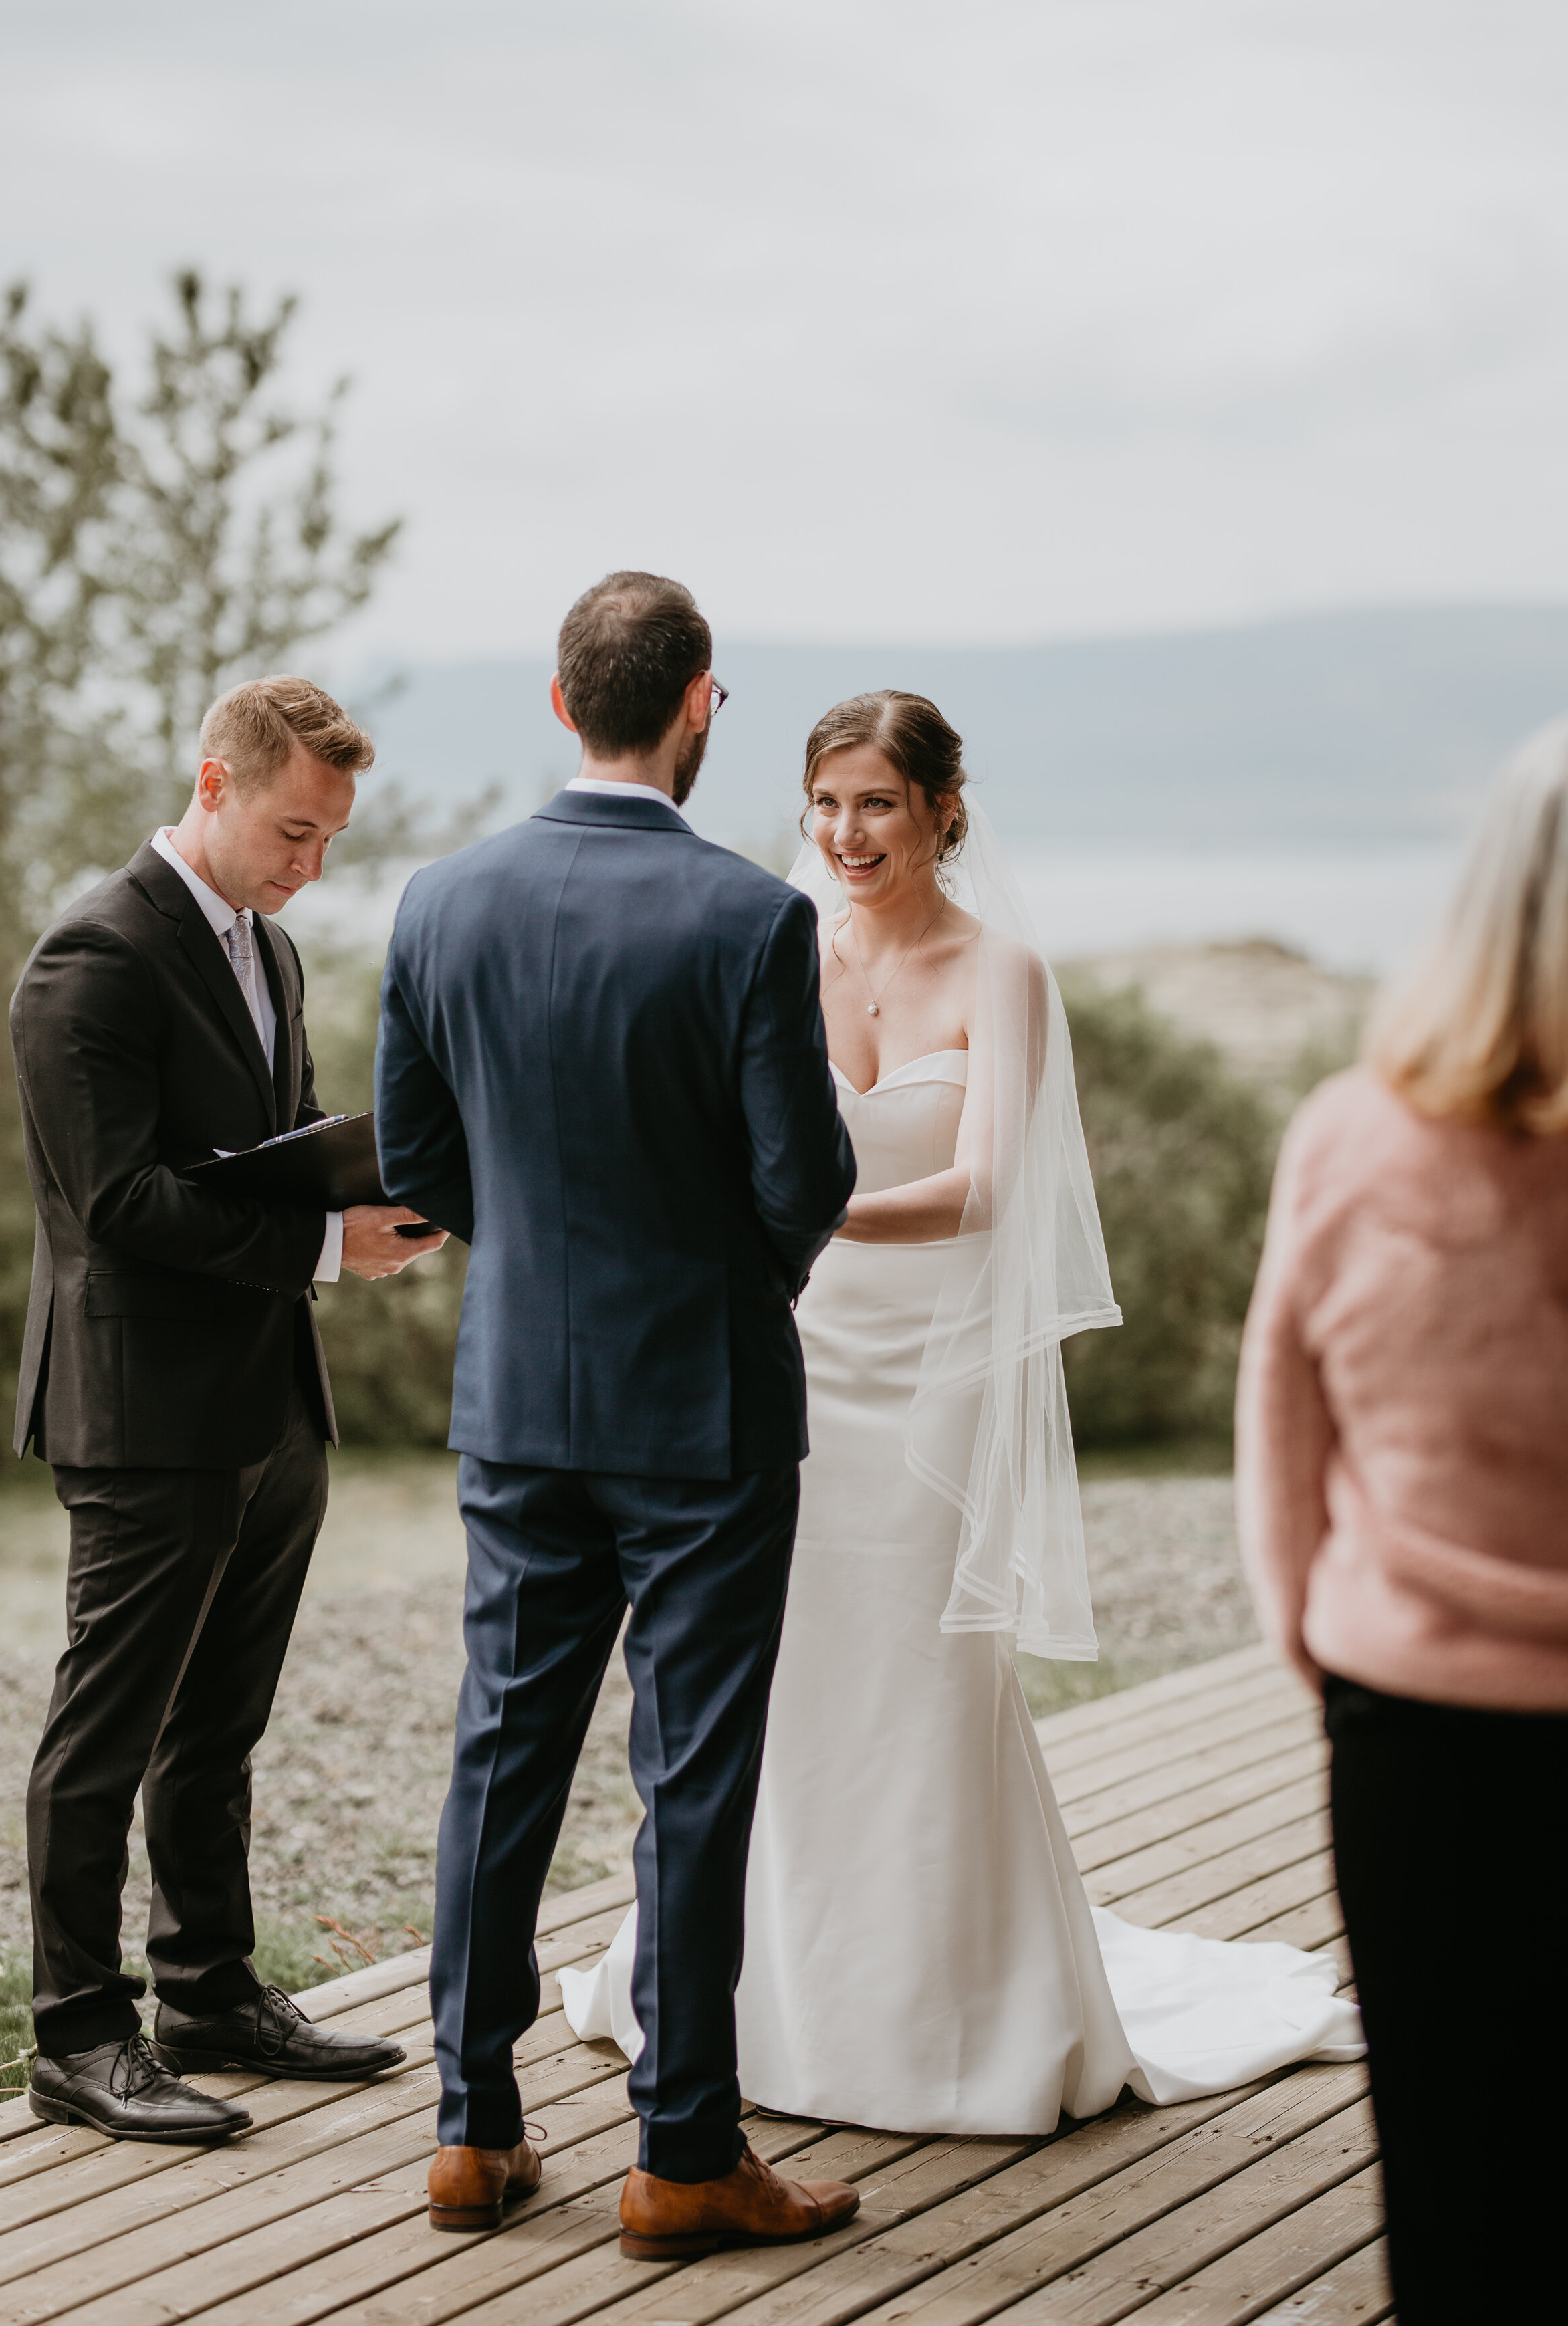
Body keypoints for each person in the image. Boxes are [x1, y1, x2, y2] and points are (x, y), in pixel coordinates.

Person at [564, 691, 1362, 2129]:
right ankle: (758, 1997)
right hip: (785, 1373)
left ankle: (939, 2010)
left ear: (941, 809)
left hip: (925, 1389)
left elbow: (987, 1186)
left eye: (875, 802)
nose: (844, 833)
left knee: (921, 1688)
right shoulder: (776, 947)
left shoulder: (1002, 976)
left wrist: (800, 1218)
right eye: (823, 802)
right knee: (778, 1688)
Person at [376, 573, 862, 2258]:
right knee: (695, 1777)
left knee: (499, 1751)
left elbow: (421, 1164)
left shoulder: (438, 904)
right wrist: (732, 1287)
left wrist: (547, 1281)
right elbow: (804, 1176)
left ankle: (469, 2131)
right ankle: (679, 2151)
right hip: (707, 1410)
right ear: (700, 703)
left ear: (561, 699)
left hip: (517, 1398)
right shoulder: (750, 920)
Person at [11, 676, 446, 2146]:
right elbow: (115, 1202)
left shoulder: (265, 945)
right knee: (106, 1731)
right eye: (290, 830)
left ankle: (206, 1991)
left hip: (269, 1394)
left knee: (219, 1725)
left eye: (328, 840)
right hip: (145, 1408)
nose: (307, 864)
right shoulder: (91, 955)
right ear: (213, 783)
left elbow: (257, 1149)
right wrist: (328, 1247)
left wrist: (358, 1193)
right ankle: (76, 2035)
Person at [1236, 711, 1568, 2325]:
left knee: (1451, 2184)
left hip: (1413, 1729)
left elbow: (1280, 1445)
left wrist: (1334, 1653)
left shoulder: (1352, 1136)